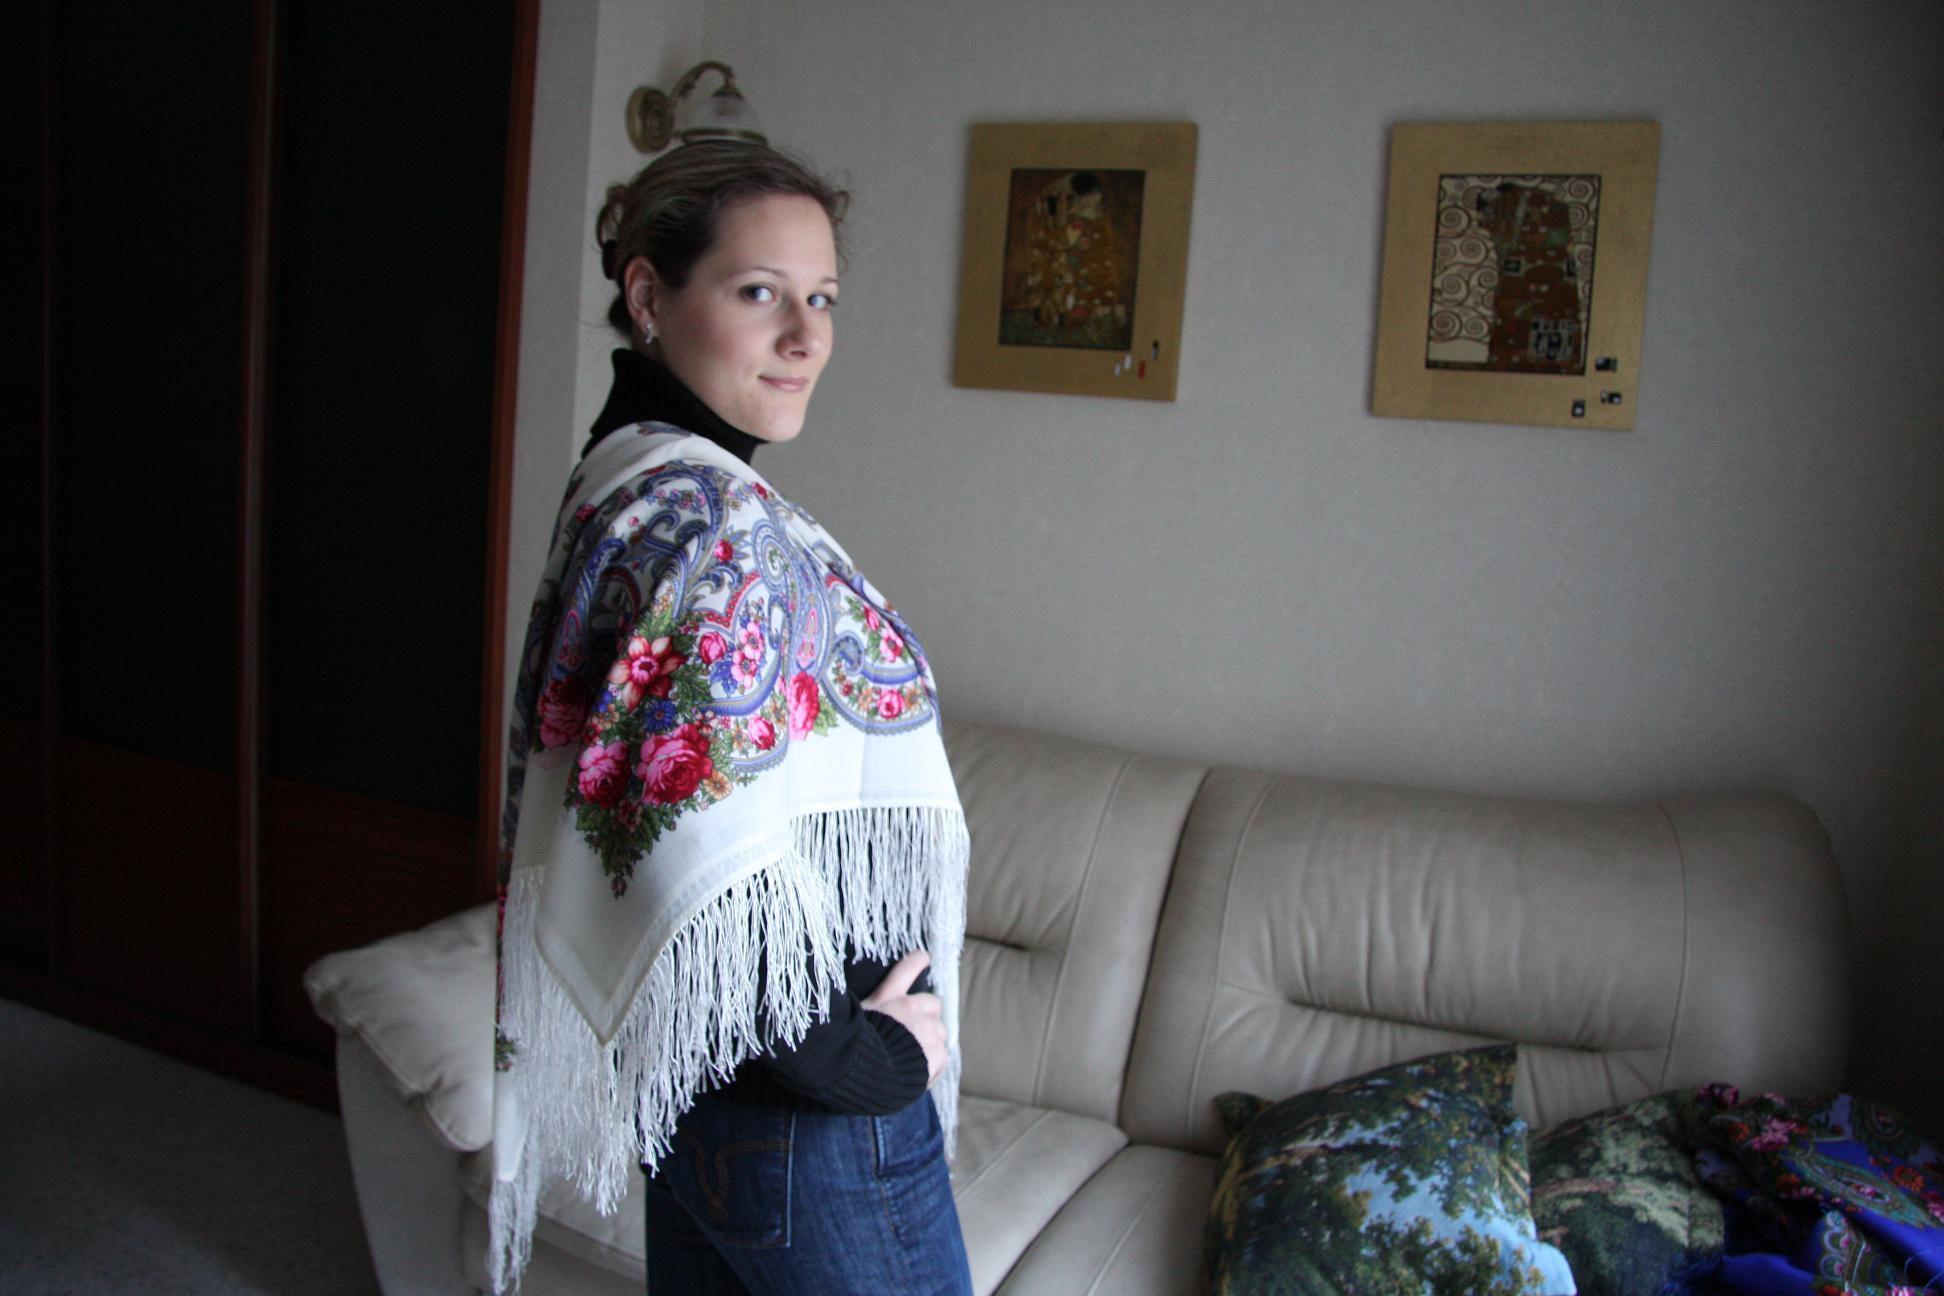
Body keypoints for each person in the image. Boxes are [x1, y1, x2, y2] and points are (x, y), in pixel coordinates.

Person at [487, 140, 974, 1296]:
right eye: (761, 293)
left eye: (823, 299)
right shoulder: (707, 520)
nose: (806, 338)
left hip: (697, 1091)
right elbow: (697, 837)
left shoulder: (626, 477)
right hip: (808, 1119)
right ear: (650, 295)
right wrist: (857, 1063)